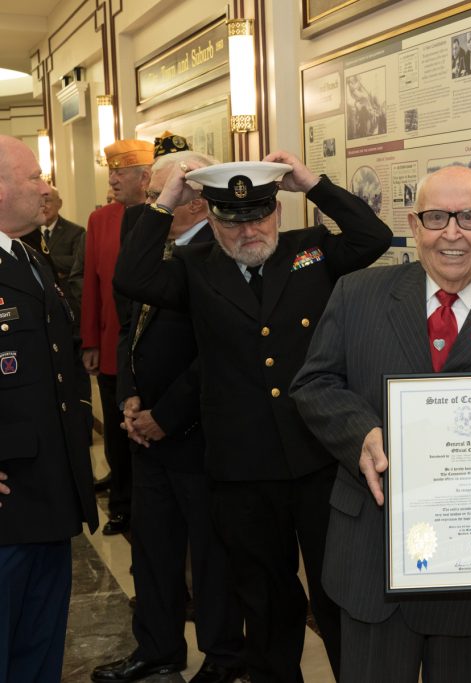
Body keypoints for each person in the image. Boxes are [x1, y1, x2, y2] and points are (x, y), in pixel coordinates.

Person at [113, 153, 393, 682]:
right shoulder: (195, 268)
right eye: (233, 221)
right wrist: (166, 198)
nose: (249, 231)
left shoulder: (310, 251)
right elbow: (132, 275)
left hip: (317, 458)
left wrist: (312, 184)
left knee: (336, 593)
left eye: (260, 216)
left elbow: (372, 236)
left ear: (278, 211)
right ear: (211, 218)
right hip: (241, 468)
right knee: (264, 600)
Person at [290, 165, 471, 682]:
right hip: (372, 557)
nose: (451, 233)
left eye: (470, 217)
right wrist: (361, 433)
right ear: (415, 226)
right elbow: (314, 383)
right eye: (436, 217)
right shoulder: (356, 294)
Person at [91, 148, 245, 683]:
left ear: (196, 201)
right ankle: (157, 647)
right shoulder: (160, 248)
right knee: (153, 550)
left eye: (163, 195)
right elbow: (131, 323)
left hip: (197, 434)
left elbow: (218, 351)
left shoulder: (221, 252)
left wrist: (167, 415)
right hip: (147, 432)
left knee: (210, 555)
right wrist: (129, 397)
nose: (152, 203)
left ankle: (223, 659)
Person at [0, 135, 98, 680]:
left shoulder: (31, 258)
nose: (47, 188)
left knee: (39, 654)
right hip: (6, 507)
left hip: (50, 493)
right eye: (35, 176)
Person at [83, 139, 153, 535]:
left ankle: (149, 507)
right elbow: (92, 283)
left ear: (145, 178)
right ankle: (122, 506)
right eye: (111, 172)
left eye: (120, 173)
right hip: (112, 345)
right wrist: (90, 341)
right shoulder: (100, 220)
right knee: (115, 432)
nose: (112, 179)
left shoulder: (163, 216)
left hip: (151, 347)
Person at [20, 185, 85, 293]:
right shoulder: (29, 232)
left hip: (66, 293)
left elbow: (75, 262)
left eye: (48, 201)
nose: (44, 206)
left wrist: (43, 260)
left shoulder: (75, 231)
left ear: (59, 203)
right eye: (40, 201)